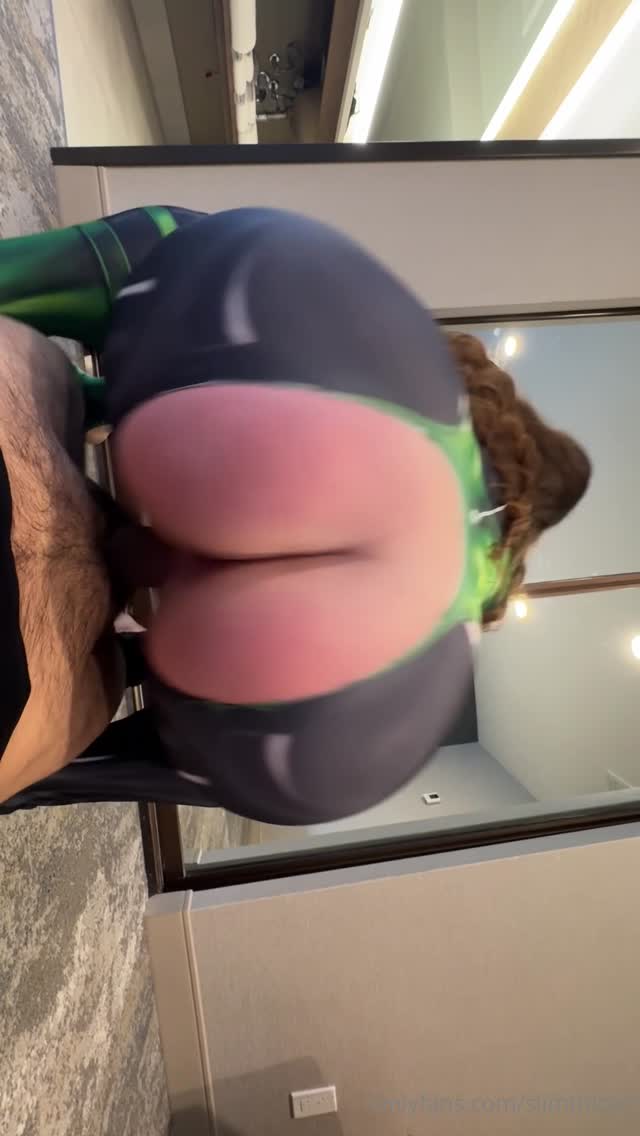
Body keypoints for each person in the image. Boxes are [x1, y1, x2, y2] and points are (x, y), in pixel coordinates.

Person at [0, 207, 591, 820]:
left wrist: (105, 397)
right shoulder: (457, 624)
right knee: (131, 716)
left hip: (204, 387)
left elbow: (194, 267)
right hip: (317, 731)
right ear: (518, 548)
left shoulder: (427, 380)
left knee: (176, 255)